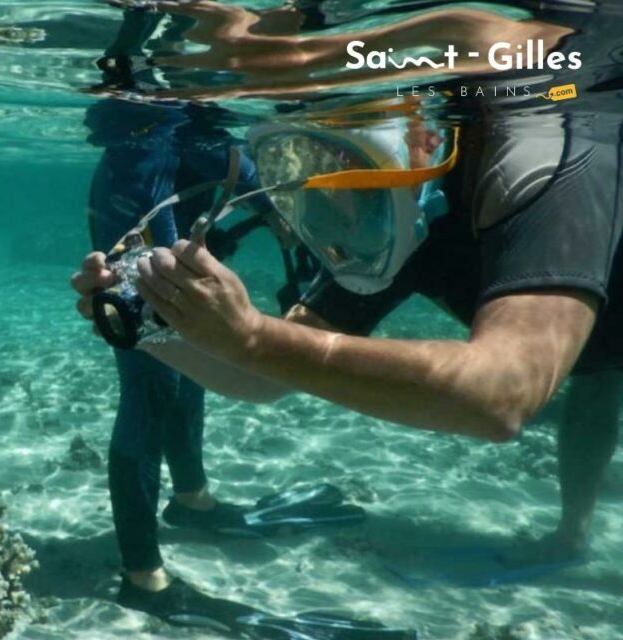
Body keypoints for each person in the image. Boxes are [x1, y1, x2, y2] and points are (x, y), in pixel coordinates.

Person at [74, 0, 622, 586]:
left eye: (340, 158)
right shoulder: (393, 213)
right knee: (598, 374)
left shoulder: (550, 152)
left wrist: (253, 335)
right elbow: (261, 377)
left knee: (601, 373)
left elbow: (502, 394)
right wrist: (150, 325)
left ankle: (573, 531)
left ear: (418, 133)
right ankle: (572, 532)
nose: (332, 201)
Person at [81, 5, 367, 630]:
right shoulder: (149, 93)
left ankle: (192, 502)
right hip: (140, 212)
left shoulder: (201, 92)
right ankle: (143, 579)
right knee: (150, 380)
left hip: (170, 201)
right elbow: (159, 169)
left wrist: (272, 207)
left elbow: (216, 153)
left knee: (198, 355)